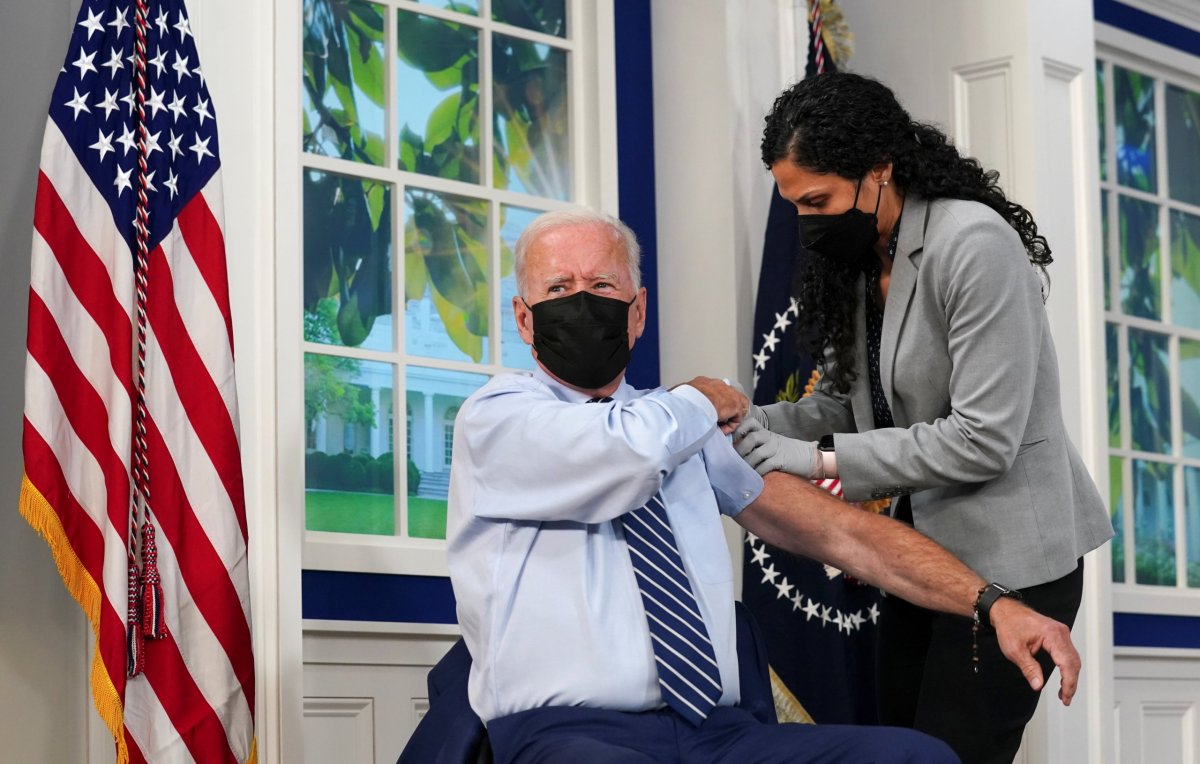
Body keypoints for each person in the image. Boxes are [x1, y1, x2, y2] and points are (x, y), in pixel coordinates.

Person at [446, 208, 1084, 764]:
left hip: (716, 733)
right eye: (559, 287)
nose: (582, 303)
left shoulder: (672, 428)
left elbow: (844, 535)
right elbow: (624, 453)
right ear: (524, 320)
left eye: (603, 285)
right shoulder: (499, 418)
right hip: (569, 734)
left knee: (916, 755)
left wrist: (992, 603)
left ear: (637, 313)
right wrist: (699, 398)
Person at [734, 71, 1114, 764]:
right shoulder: (859, 257)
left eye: (817, 200)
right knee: (900, 754)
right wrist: (736, 422)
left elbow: (982, 440)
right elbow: (843, 405)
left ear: (880, 168)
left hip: (1017, 560)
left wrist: (816, 461)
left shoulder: (973, 244)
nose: (807, 222)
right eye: (794, 205)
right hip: (924, 559)